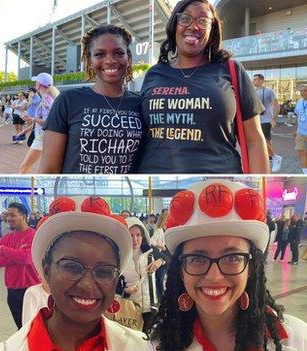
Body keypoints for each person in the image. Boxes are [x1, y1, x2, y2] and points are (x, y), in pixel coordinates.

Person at [148, 180, 307, 350]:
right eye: (197, 259)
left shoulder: (299, 338)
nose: (214, 276)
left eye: (232, 258)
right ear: (181, 271)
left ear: (250, 268)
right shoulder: (160, 344)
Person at [0, 195, 148, 350]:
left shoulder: (139, 346)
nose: (87, 285)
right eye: (72, 268)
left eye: (103, 272)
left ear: (116, 280)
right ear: (47, 271)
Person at [136, 0, 269, 173]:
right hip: (156, 187)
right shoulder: (154, 73)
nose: (193, 26)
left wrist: (261, 192)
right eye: (185, 19)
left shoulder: (231, 69)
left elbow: (255, 140)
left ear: (212, 30)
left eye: (203, 21)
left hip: (218, 187)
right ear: (175, 25)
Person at [41, 25, 142, 174]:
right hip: (76, 194)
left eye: (119, 53)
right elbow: (48, 169)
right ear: (89, 59)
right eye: (100, 54)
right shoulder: (68, 100)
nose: (110, 60)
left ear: (128, 56)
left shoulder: (141, 103)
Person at [119, 217, 168, 332]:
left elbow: (168, 259)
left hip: (149, 306)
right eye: (131, 235)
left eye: (138, 235)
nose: (135, 239)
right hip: (129, 307)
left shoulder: (149, 251)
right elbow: (112, 282)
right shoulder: (119, 255)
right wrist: (125, 290)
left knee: (147, 339)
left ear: (143, 236)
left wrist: (160, 261)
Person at [0, 202, 40, 329]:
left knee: (35, 327)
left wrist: (4, 249)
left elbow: (26, 258)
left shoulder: (33, 235)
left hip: (31, 288)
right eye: (7, 215)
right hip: (13, 290)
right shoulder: (8, 237)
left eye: (12, 215)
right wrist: (17, 254)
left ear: (23, 216)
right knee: (21, 328)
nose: (8, 218)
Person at [19, 73, 60, 173]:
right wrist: (24, 131)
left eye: (36, 81)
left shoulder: (46, 101)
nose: (35, 83)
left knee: (24, 168)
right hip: (43, 138)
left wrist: (31, 118)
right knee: (30, 168)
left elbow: (47, 122)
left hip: (41, 139)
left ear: (39, 84)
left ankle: (31, 188)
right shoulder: (49, 98)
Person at [253, 74, 282, 172]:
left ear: (261, 80)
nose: (254, 81)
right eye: (253, 79)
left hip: (266, 120)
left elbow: (277, 106)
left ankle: (275, 157)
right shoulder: (253, 92)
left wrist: (274, 119)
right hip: (256, 120)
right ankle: (270, 157)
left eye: (256, 80)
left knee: (262, 141)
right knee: (267, 141)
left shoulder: (269, 91)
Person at [293, 84, 307, 174]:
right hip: (301, 132)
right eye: (301, 91)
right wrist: (295, 129)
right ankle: (305, 173)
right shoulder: (298, 102)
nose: (302, 92)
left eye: (305, 90)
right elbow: (297, 117)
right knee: (301, 152)